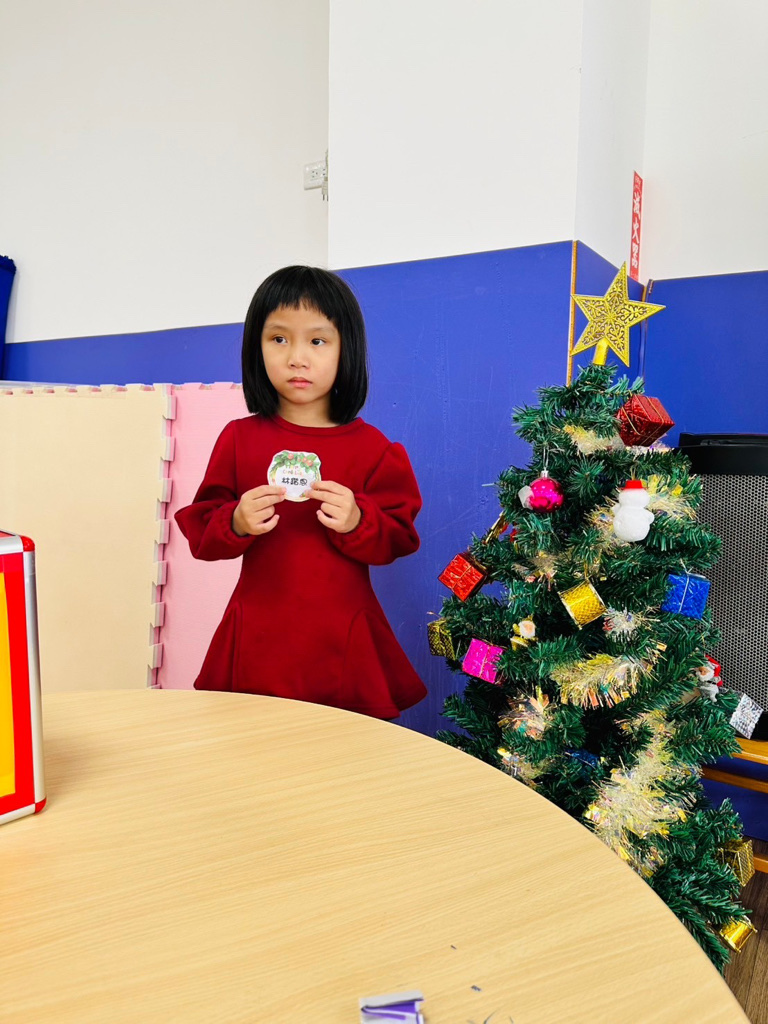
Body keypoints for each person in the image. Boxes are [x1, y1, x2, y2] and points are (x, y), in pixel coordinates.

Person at [175, 266, 426, 719]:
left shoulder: (374, 449)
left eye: (317, 341)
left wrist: (358, 520)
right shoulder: (238, 439)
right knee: (252, 746)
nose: (297, 358)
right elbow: (202, 534)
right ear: (256, 348)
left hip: (343, 641)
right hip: (258, 639)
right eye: (279, 339)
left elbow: (399, 537)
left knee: (342, 752)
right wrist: (235, 520)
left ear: (346, 349)